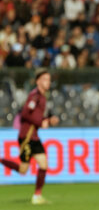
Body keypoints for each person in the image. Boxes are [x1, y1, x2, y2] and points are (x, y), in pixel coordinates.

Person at [0, 68, 59, 204]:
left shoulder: (43, 97)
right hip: (27, 137)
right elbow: (26, 113)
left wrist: (48, 119)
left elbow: (36, 115)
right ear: (38, 81)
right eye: (45, 79)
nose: (48, 82)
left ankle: (37, 196)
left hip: (34, 136)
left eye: (49, 79)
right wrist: (43, 121)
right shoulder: (35, 96)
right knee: (23, 169)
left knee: (43, 165)